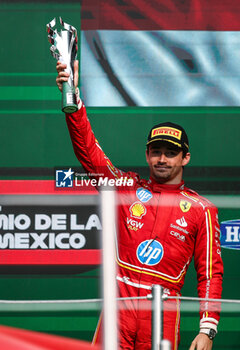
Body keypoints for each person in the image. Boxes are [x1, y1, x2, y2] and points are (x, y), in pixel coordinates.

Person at [56, 60, 223, 350]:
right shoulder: (125, 187)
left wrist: (207, 329)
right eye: (156, 151)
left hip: (164, 311)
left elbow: (210, 272)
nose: (162, 159)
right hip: (119, 307)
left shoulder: (202, 209)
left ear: (185, 158)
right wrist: (73, 99)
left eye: (170, 153)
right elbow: (89, 153)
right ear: (147, 155)